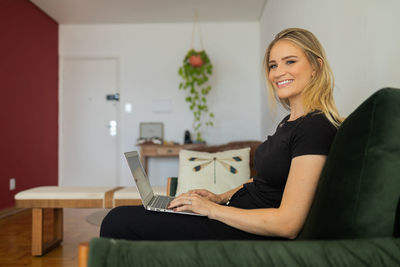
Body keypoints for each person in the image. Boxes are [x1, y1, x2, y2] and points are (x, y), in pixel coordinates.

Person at [100, 28, 343, 241]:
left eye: (290, 62)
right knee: (134, 214)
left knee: (118, 221)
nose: (278, 72)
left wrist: (211, 210)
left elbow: (287, 224)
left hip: (245, 230)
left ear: (316, 66)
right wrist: (218, 197)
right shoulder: (289, 123)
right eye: (273, 65)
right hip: (234, 215)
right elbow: (266, 183)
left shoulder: (315, 128)